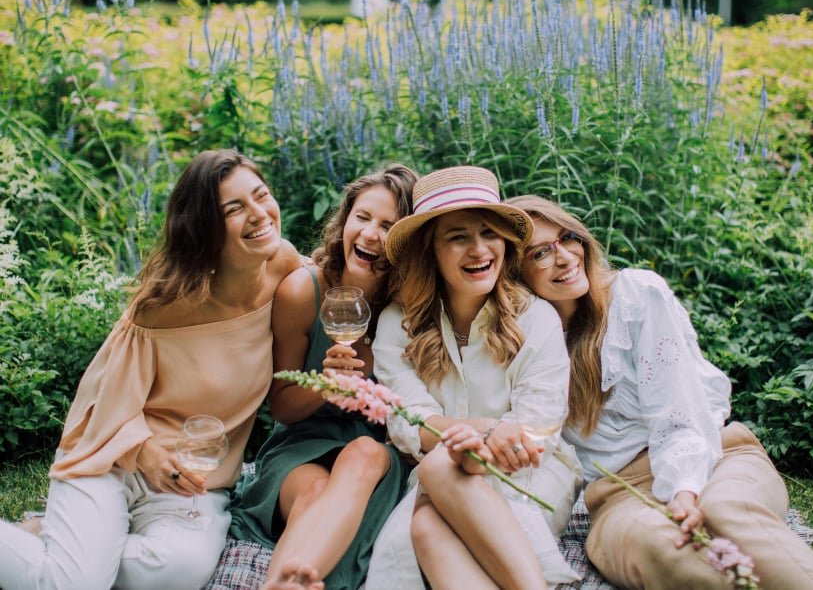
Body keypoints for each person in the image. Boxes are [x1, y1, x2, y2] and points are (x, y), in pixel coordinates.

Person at [0, 149, 303, 590]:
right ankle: (72, 558)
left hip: (193, 481)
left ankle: (58, 542)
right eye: (233, 209)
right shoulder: (167, 304)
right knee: (71, 585)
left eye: (261, 195)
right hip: (115, 458)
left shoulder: (285, 267)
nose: (259, 214)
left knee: (178, 572)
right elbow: (102, 401)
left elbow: (335, 286)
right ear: (204, 227)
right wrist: (146, 453)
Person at [505, 194, 813, 590]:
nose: (566, 257)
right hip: (617, 495)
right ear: (515, 273)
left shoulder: (635, 295)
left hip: (715, 457)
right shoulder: (525, 341)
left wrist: (684, 490)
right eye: (540, 253)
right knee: (661, 547)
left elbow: (680, 411)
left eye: (568, 237)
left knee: (724, 511)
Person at [364, 166, 583, 590]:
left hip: (528, 475)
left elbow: (537, 429)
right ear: (431, 250)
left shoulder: (535, 318)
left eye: (489, 233)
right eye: (458, 237)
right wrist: (486, 429)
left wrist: (469, 444)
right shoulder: (399, 323)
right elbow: (408, 421)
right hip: (441, 478)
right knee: (424, 523)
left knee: (435, 492)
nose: (479, 249)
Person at [229, 164, 419, 590]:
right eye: (362, 217)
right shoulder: (302, 292)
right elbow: (282, 407)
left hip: (375, 454)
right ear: (345, 220)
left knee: (365, 452)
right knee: (314, 495)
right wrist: (326, 385)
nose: (370, 234)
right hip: (302, 446)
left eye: (388, 226)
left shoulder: (411, 311)